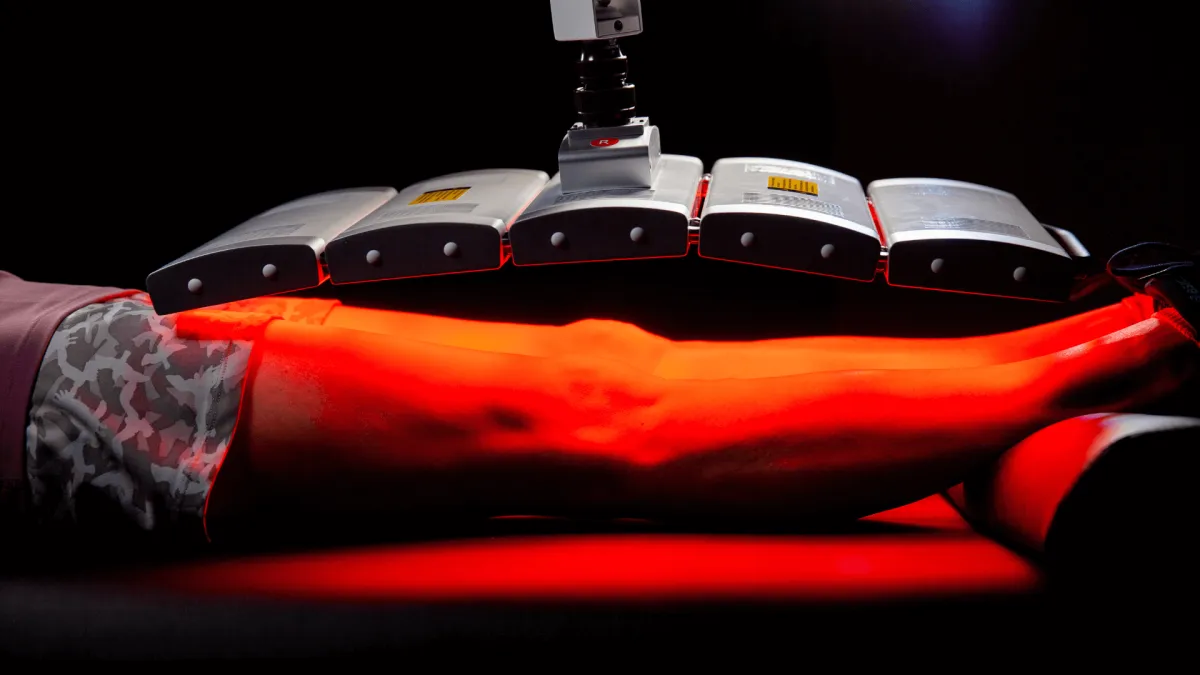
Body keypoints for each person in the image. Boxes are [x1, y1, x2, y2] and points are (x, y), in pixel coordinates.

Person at [2, 270, 1196, 544]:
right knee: (603, 404)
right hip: (53, 391)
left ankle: (1137, 326)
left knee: (604, 370)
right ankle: (1161, 338)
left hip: (71, 336)